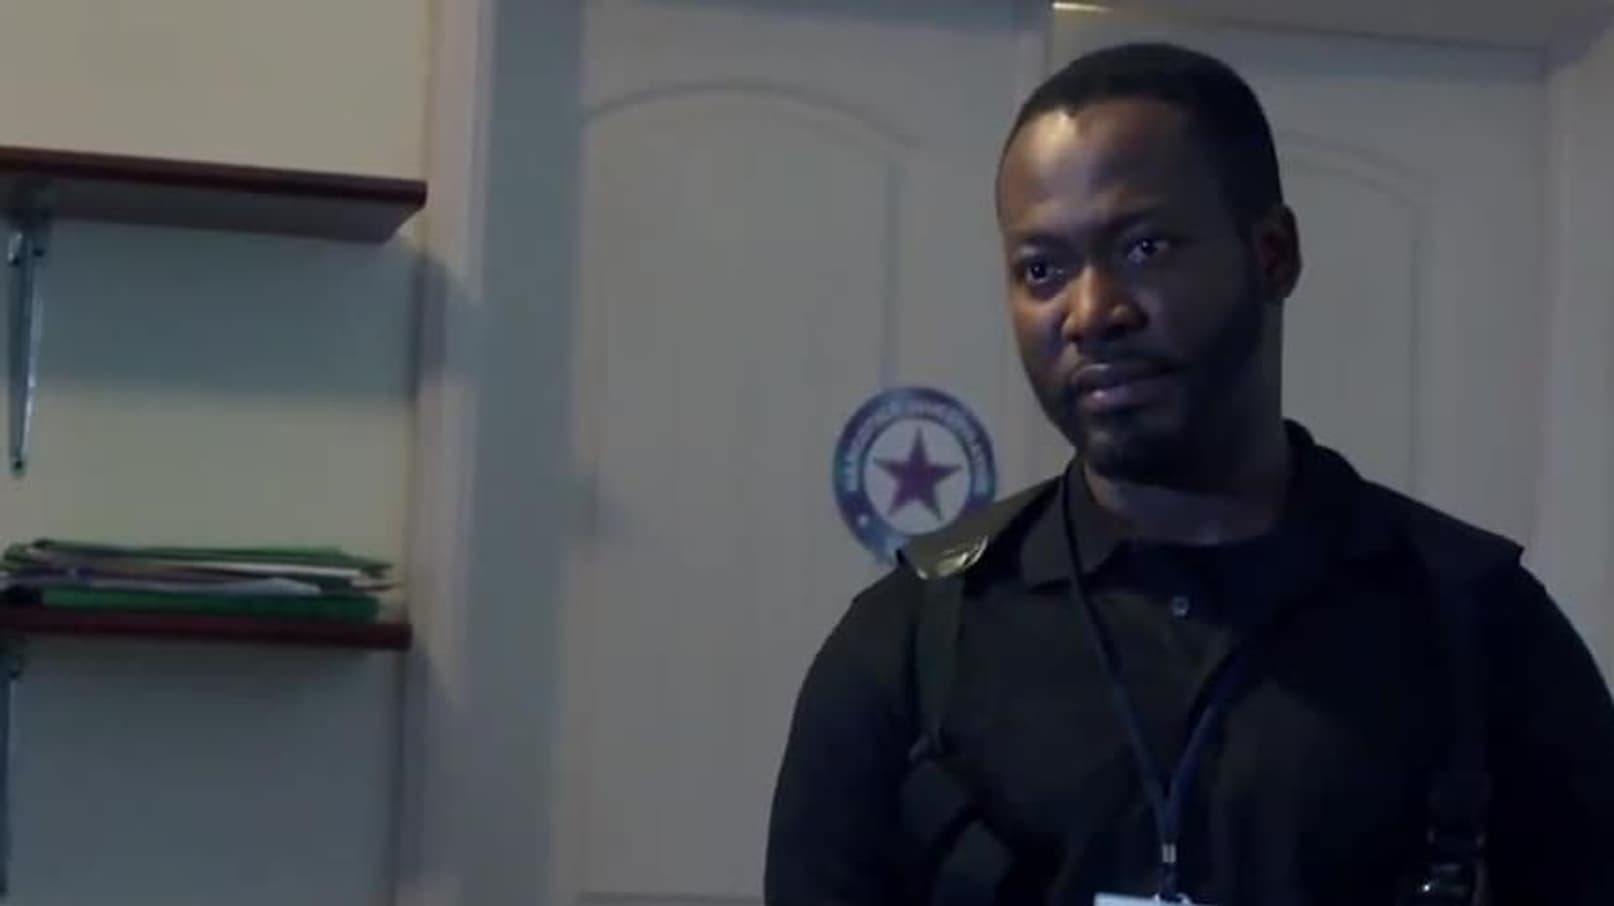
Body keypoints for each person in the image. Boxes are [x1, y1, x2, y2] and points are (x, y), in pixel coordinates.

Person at [765, 42, 1614, 906]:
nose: (1092, 313)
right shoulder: (910, 645)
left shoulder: (1484, 631)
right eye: (1042, 269)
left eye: (1145, 247)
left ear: (1272, 254)